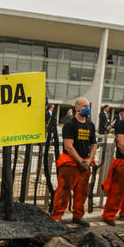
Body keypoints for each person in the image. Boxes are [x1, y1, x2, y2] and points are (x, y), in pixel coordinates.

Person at [50, 97, 97, 227]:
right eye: (84, 106)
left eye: (88, 105)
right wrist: (80, 160)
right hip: (70, 164)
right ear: (76, 108)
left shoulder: (90, 125)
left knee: (81, 192)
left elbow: (93, 144)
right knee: (64, 190)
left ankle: (77, 216)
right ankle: (57, 216)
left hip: (85, 164)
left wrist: (88, 160)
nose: (87, 108)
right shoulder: (70, 125)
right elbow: (68, 146)